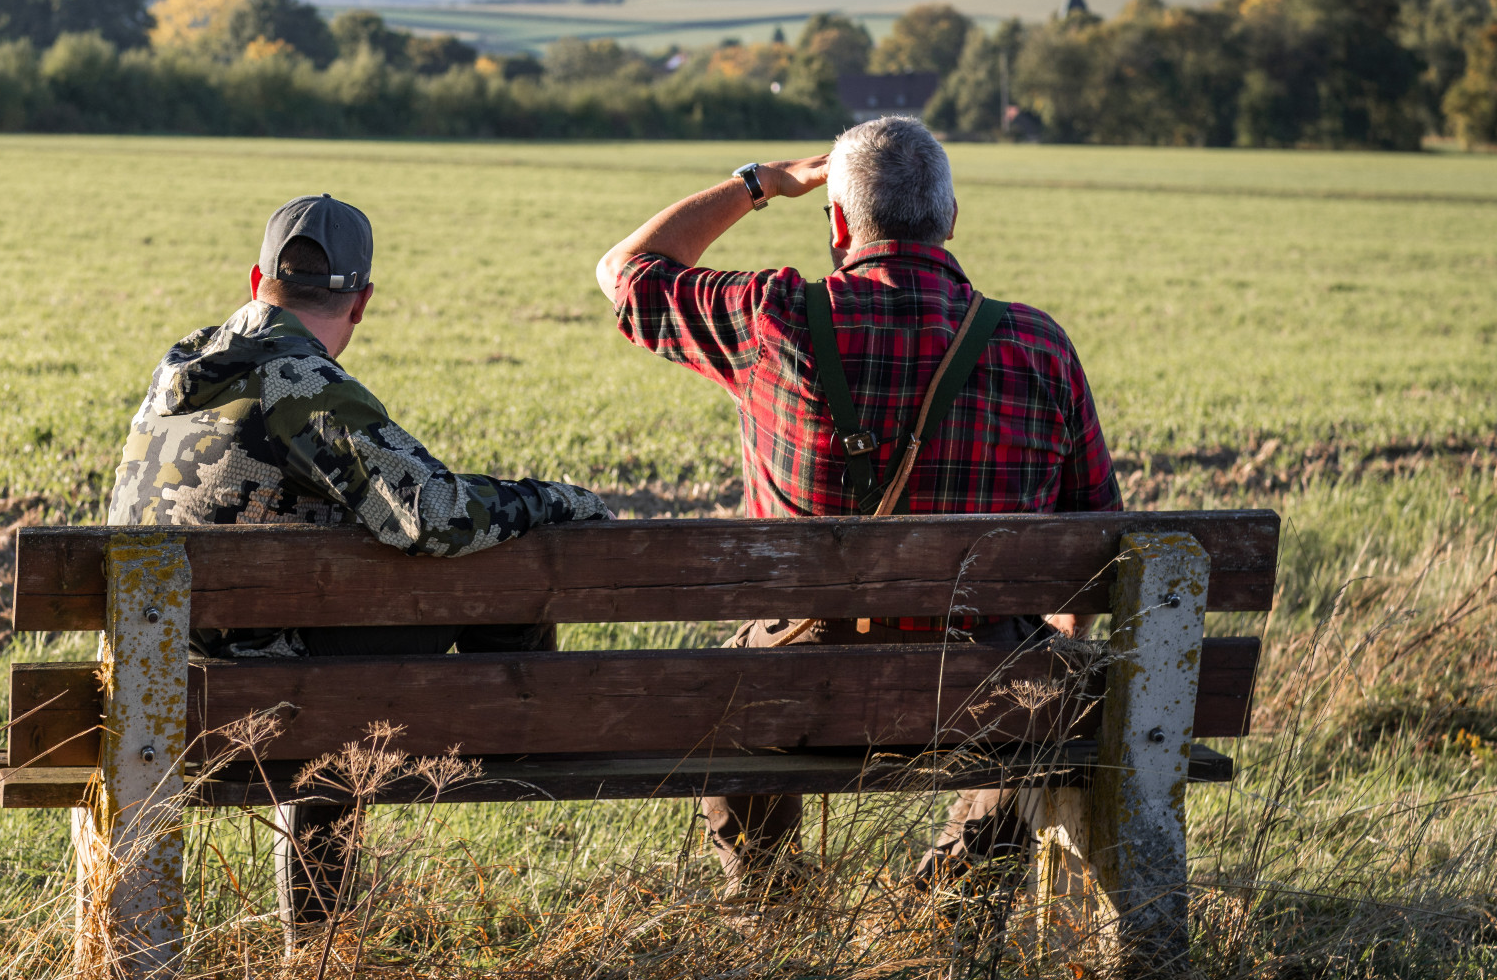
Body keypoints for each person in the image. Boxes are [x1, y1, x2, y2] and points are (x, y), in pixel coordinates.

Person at [594, 116, 1120, 895]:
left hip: (798, 687)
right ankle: (952, 901)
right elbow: (1097, 540)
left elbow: (624, 271)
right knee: (1052, 688)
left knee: (731, 682)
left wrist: (761, 183)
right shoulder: (1040, 347)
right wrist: (1050, 661)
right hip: (982, 687)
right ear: (950, 219)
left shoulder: (773, 317)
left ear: (838, 223)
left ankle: (771, 897)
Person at [109, 193, 611, 937]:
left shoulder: (180, 369)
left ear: (258, 280)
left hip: (159, 682)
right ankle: (515, 721)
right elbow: (436, 513)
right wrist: (562, 499)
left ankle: (317, 939)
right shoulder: (302, 382)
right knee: (494, 555)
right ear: (362, 301)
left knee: (345, 642)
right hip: (272, 695)